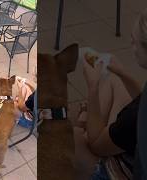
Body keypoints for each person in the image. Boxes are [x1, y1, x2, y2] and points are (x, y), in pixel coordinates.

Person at [73, 9, 147, 180]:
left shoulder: (133, 119)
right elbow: (140, 101)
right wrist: (123, 73)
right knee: (115, 80)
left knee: (75, 137)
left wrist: (93, 87)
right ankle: (89, 121)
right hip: (131, 140)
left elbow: (97, 146)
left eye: (135, 42)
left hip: (128, 170)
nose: (130, 43)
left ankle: (85, 122)